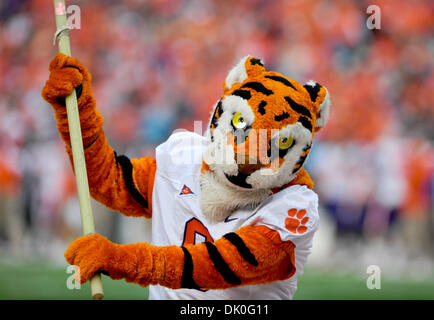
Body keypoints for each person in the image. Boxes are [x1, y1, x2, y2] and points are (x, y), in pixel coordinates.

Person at [41, 53, 330, 299]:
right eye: (240, 123)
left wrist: (118, 259)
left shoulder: (294, 207)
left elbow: (217, 266)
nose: (250, 157)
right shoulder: (185, 156)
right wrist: (77, 111)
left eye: (279, 144)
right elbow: (109, 179)